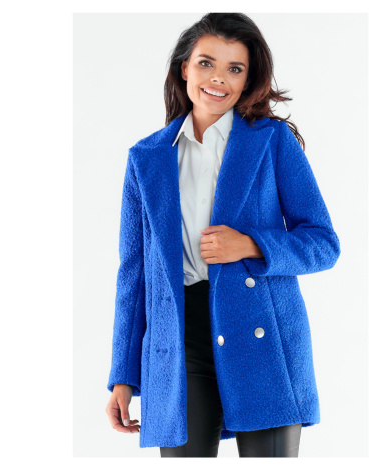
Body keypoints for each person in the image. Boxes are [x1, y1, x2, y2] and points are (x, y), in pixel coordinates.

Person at [106, 13, 340, 457]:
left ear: (248, 79)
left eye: (235, 68)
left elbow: (323, 243)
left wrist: (251, 245)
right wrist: (123, 376)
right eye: (206, 63)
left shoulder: (271, 141)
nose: (218, 78)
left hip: (262, 333)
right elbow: (133, 275)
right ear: (184, 68)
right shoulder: (146, 158)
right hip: (178, 341)